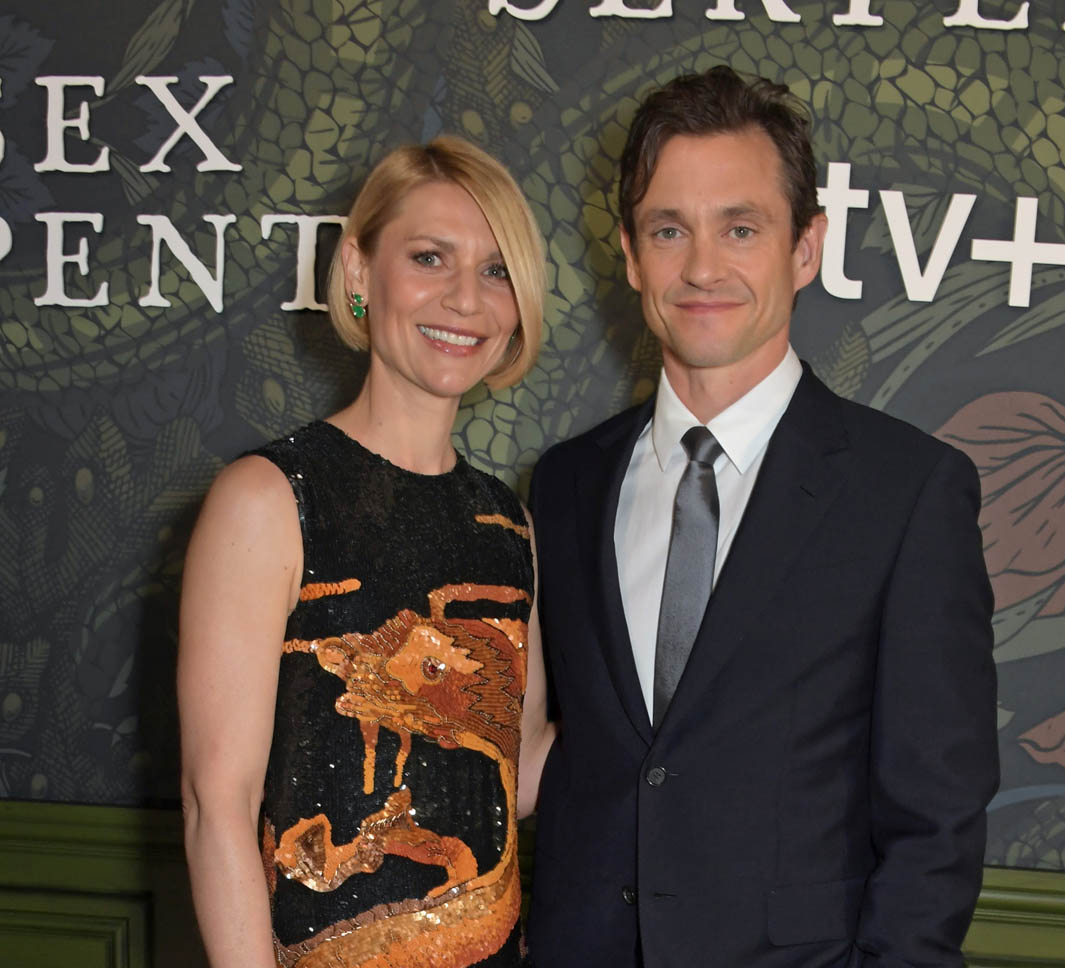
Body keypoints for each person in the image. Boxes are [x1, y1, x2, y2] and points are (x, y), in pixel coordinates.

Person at [526, 67, 998, 968]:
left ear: (806, 247)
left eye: (740, 229)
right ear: (630, 254)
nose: (702, 267)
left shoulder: (908, 492)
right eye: (670, 230)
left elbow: (937, 824)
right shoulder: (566, 485)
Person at [178, 136, 554, 968]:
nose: (466, 298)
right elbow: (216, 805)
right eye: (430, 257)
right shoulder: (268, 499)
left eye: (496, 270)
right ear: (358, 270)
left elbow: (518, 774)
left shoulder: (510, 526)